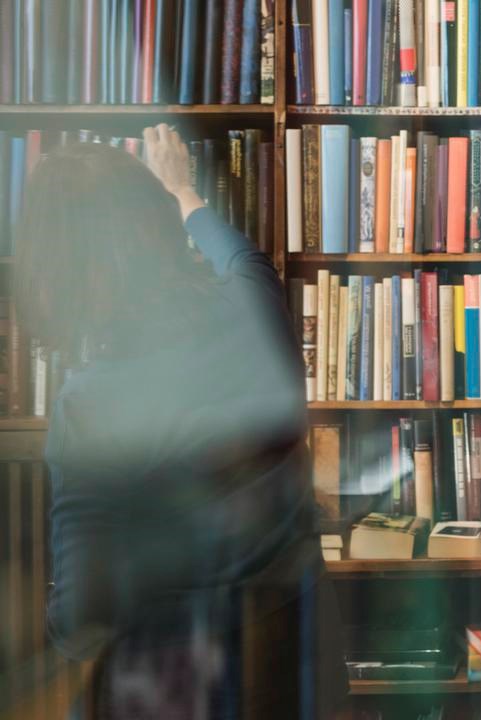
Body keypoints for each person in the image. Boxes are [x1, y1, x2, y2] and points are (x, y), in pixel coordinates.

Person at [16, 126, 344, 718]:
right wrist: (183, 191)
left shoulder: (88, 405)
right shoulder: (254, 301)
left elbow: (81, 618)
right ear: (163, 230)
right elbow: (241, 254)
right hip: (300, 667)